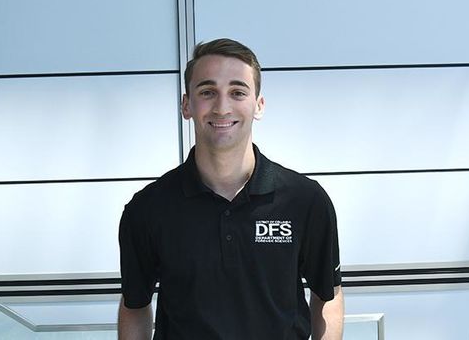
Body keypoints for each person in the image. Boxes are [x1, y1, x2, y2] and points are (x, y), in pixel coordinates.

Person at [118, 38, 344, 339]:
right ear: (187, 105)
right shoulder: (147, 209)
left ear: (258, 105)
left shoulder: (306, 200)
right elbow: (135, 307)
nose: (222, 107)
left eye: (237, 92)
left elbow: (328, 296)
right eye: (208, 92)